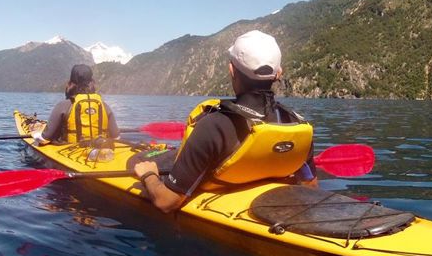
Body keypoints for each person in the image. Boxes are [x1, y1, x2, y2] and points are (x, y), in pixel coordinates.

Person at [133, 30, 316, 213]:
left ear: (231, 70)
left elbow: (166, 201)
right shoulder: (296, 124)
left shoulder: (213, 126)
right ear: (278, 73)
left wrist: (149, 175)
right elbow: (311, 186)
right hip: (275, 214)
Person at [32, 64, 119, 146]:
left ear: (71, 83)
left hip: (70, 152)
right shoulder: (104, 106)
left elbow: (44, 139)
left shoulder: (63, 106)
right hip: (99, 151)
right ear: (92, 83)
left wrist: (34, 134)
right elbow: (116, 137)